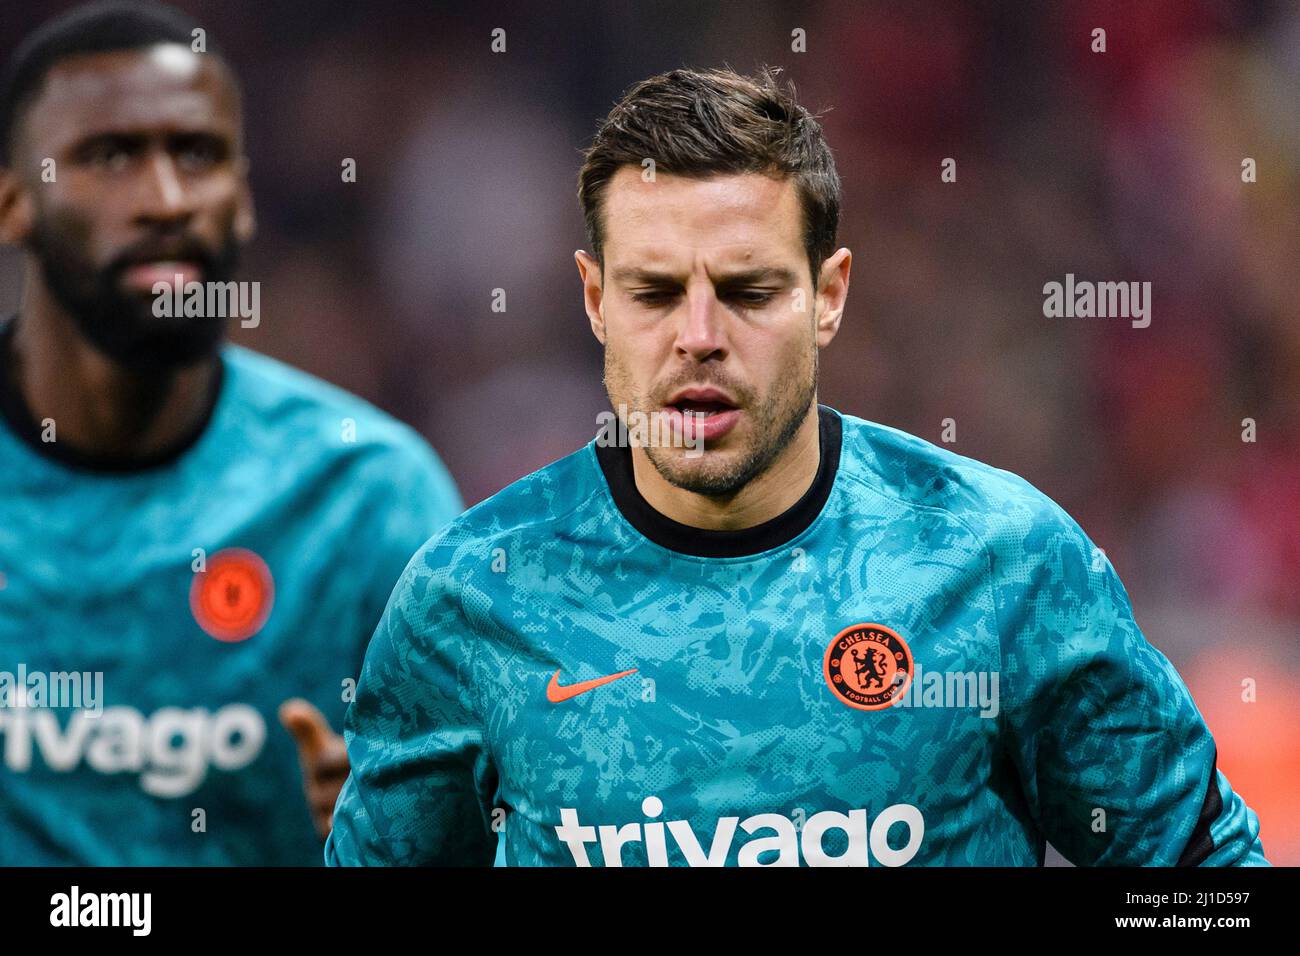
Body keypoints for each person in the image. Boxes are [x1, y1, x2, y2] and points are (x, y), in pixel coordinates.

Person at [327, 66, 1267, 866]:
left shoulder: (1002, 563)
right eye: (654, 292)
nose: (699, 339)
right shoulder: (470, 598)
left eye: (747, 291)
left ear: (828, 295)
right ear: (594, 299)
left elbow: (1205, 879)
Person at [0, 0, 462, 864]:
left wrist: (397, 839)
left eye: (198, 155)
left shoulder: (364, 501)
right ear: (11, 203)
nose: (166, 200)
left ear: (243, 201)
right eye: (109, 157)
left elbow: (470, 822)